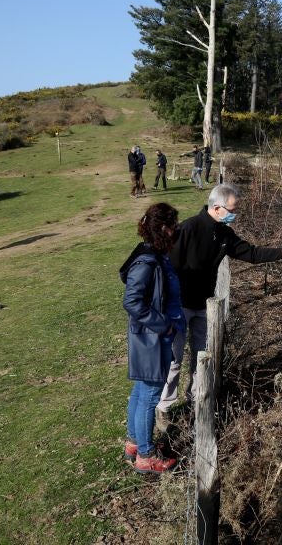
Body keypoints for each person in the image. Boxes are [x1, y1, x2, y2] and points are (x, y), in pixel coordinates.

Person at [157, 183, 282, 415]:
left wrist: (280, 253)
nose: (235, 214)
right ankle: (165, 405)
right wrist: (166, 305)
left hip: (204, 307)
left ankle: (196, 398)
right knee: (174, 358)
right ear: (216, 207)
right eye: (232, 209)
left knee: (201, 357)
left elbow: (250, 253)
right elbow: (168, 267)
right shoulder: (188, 229)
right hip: (179, 307)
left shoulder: (224, 233)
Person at [119, 202, 186, 474]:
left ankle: (135, 443)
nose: (176, 232)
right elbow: (132, 302)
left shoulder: (156, 255)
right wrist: (166, 326)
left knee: (141, 391)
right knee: (149, 396)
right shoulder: (147, 262)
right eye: (173, 227)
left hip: (153, 336)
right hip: (151, 338)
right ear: (162, 228)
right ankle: (146, 456)